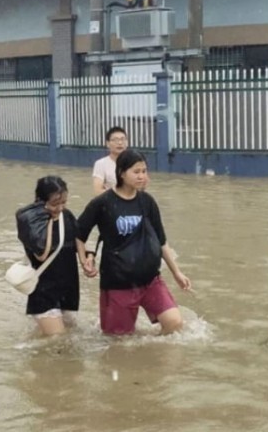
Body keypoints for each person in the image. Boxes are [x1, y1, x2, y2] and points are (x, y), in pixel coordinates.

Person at [77, 149, 192, 336]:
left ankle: (151, 357)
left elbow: (162, 240)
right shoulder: (103, 203)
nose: (142, 176)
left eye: (144, 171)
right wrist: (85, 260)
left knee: (174, 322)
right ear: (122, 173)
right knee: (119, 340)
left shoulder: (147, 202)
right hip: (118, 282)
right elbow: (79, 233)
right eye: (136, 172)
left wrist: (177, 272)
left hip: (150, 279)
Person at [15, 176, 94, 336]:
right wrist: (50, 218)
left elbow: (78, 239)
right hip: (44, 292)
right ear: (40, 201)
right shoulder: (31, 221)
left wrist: (86, 259)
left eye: (63, 202)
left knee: (70, 336)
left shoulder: (67, 216)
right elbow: (41, 252)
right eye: (55, 203)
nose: (60, 208)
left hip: (68, 289)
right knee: (58, 340)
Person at [92, 126, 149, 195]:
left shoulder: (135, 161)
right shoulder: (101, 164)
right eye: (115, 140)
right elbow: (98, 191)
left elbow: (143, 186)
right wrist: (122, 196)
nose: (119, 143)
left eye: (123, 139)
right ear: (107, 143)